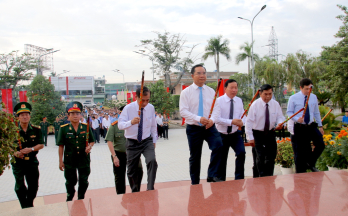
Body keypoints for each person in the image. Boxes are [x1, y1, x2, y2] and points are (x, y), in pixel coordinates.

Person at [179, 64, 223, 185]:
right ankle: (195, 182)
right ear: (192, 75)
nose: (202, 75)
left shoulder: (211, 91)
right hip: (193, 128)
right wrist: (198, 118)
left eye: (204, 73)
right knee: (195, 156)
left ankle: (212, 175)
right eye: (199, 73)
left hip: (209, 127)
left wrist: (212, 120)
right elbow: (183, 111)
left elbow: (216, 109)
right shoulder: (186, 92)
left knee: (218, 145)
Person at [118, 86, 158, 192]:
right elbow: (120, 125)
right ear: (136, 97)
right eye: (143, 100)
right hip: (132, 142)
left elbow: (153, 126)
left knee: (152, 161)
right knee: (131, 169)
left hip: (146, 140)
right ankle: (135, 191)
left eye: (147, 100)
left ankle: (150, 188)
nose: (145, 103)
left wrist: (154, 141)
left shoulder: (151, 108)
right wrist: (130, 122)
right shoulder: (128, 108)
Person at [57, 101, 95, 201]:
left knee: (84, 181)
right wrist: (60, 161)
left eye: (77, 113)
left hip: (83, 158)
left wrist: (89, 147)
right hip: (70, 160)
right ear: (68, 115)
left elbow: (92, 141)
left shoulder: (85, 127)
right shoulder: (64, 129)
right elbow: (61, 146)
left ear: (80, 115)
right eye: (72, 114)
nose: (75, 116)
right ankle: (70, 195)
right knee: (70, 181)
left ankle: (81, 197)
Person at [245, 84, 285, 177]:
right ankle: (260, 178)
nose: (268, 96)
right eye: (265, 94)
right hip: (257, 134)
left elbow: (280, 117)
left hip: (270, 133)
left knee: (271, 156)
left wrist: (280, 123)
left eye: (270, 94)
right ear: (260, 93)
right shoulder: (255, 105)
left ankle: (269, 177)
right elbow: (249, 122)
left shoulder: (275, 104)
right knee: (260, 157)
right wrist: (250, 137)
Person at [287, 78, 324, 173]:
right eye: (306, 89)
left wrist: (320, 126)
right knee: (300, 153)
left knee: (320, 144)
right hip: (299, 127)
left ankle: (310, 163)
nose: (308, 91)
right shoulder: (293, 98)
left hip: (311, 125)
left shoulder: (313, 97)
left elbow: (316, 112)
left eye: (310, 88)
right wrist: (296, 118)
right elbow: (289, 112)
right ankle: (300, 175)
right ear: (301, 88)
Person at [12, 102, 44, 208]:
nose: (25, 117)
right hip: (18, 162)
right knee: (20, 186)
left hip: (31, 161)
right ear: (18, 117)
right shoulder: (12, 130)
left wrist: (31, 149)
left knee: (34, 186)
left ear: (29, 116)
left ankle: (29, 203)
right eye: (22, 115)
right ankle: (24, 206)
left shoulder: (36, 129)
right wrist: (14, 152)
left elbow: (41, 144)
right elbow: (6, 145)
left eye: (27, 114)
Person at [106, 106, 144, 194]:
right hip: (119, 154)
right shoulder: (115, 125)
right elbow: (109, 141)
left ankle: (136, 192)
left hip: (133, 153)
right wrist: (114, 156)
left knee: (138, 171)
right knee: (119, 176)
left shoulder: (136, 125)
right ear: (120, 114)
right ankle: (121, 195)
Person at [214, 79, 246, 181]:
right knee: (222, 159)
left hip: (234, 133)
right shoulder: (219, 101)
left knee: (241, 153)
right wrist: (231, 122)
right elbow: (216, 119)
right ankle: (221, 180)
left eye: (236, 88)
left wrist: (242, 122)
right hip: (221, 134)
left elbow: (243, 115)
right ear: (225, 88)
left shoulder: (239, 100)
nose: (234, 90)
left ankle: (239, 179)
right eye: (231, 87)